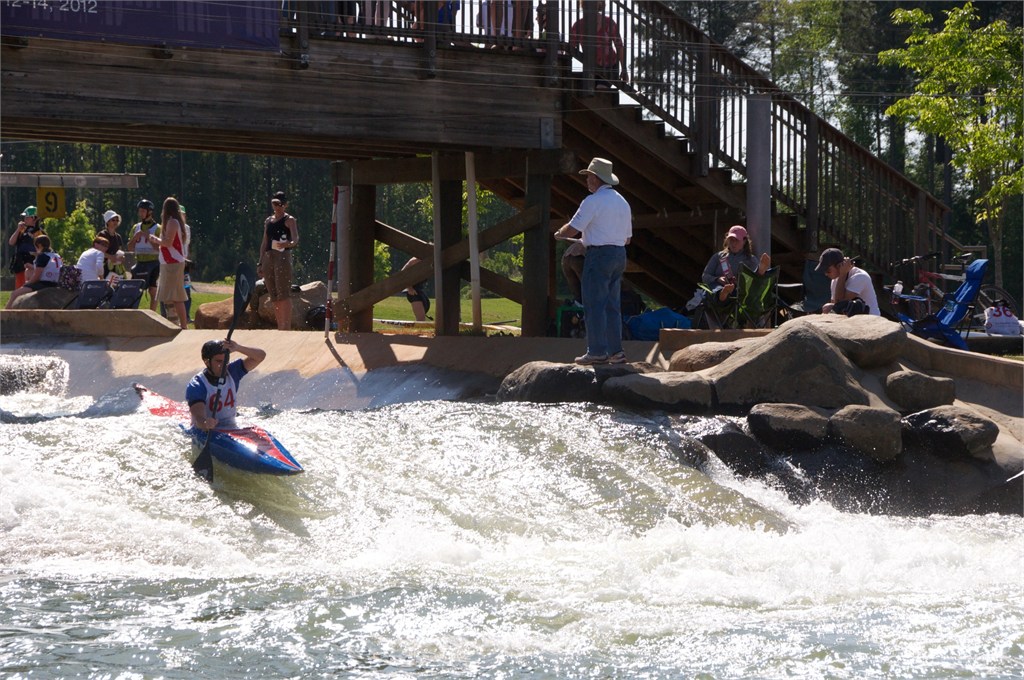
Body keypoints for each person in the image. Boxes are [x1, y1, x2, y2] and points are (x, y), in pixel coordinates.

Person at [553, 157, 632, 365]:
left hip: (599, 257)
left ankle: (596, 351)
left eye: (588, 176)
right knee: (612, 305)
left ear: (596, 178)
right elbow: (627, 239)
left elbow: (572, 229)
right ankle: (616, 352)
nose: (587, 180)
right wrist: (587, 240)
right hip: (619, 255)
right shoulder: (623, 202)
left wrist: (559, 234)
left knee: (594, 304)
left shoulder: (592, 201)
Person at [187, 339, 266, 432]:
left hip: (231, 426)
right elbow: (198, 417)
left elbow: (260, 356)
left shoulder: (232, 371)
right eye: (219, 361)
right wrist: (205, 423)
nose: (223, 365)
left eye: (226, 361)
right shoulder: (197, 385)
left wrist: (238, 347)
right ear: (207, 362)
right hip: (206, 431)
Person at [258, 191, 300, 331]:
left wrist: (288, 244)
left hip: (282, 256)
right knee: (273, 294)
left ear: (285, 205)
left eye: (280, 204)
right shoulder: (268, 221)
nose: (277, 207)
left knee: (283, 293)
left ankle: (285, 326)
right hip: (268, 256)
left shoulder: (289, 220)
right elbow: (264, 242)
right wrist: (260, 262)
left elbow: (295, 239)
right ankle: (279, 325)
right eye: (275, 204)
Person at [145, 197, 189, 330]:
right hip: (168, 262)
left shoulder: (172, 222)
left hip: (173, 263)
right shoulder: (173, 222)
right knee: (168, 295)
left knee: (176, 296)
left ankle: (183, 325)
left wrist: (155, 239)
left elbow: (168, 243)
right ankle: (173, 322)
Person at [701, 225, 770, 304]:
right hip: (717, 287)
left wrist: (738, 282)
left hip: (738, 292)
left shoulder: (750, 259)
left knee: (747, 288)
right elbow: (705, 276)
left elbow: (755, 283)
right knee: (713, 288)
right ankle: (721, 294)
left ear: (744, 241)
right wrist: (717, 279)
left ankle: (760, 271)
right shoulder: (718, 256)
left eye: (737, 240)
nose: (733, 244)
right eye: (731, 240)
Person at [569, 0, 628, 89]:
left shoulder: (608, 22)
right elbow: (570, 48)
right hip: (591, 68)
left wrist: (624, 69)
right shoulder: (578, 26)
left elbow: (619, 46)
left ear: (599, 4)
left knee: (601, 88)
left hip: (610, 67)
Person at [816, 247, 880, 316]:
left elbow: (839, 303)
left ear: (839, 266)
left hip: (869, 318)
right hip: (853, 316)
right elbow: (835, 305)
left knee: (828, 308)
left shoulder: (860, 276)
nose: (826, 274)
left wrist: (842, 275)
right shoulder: (836, 280)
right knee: (827, 308)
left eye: (828, 270)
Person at [5, 234, 62, 309]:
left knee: (14, 294)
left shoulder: (42, 256)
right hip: (56, 282)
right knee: (28, 271)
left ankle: (5, 314)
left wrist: (26, 284)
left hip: (44, 284)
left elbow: (36, 277)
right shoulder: (56, 255)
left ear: (39, 245)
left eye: (35, 246)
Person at [126, 198, 161, 311]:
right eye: (139, 211)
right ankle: (133, 311)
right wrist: (135, 238)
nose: (140, 213)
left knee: (152, 289)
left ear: (149, 212)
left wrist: (147, 237)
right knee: (135, 288)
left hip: (154, 262)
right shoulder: (136, 227)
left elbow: (159, 248)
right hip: (140, 262)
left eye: (143, 211)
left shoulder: (158, 228)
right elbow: (130, 248)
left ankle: (152, 313)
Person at [7, 205, 44, 289]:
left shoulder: (39, 233)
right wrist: (18, 229)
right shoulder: (22, 230)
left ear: (34, 218)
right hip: (20, 264)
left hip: (31, 265)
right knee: (19, 288)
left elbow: (42, 251)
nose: (25, 219)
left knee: (29, 288)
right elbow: (11, 242)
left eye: (27, 217)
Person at [98, 210, 125, 280]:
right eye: (113, 220)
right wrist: (111, 257)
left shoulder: (118, 237)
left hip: (116, 269)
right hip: (104, 269)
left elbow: (120, 251)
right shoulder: (102, 235)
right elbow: (98, 252)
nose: (115, 222)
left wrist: (121, 258)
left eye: (117, 220)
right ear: (107, 222)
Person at [401, 256, 431, 321]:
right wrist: (409, 288)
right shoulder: (415, 260)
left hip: (420, 290)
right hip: (413, 291)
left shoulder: (429, 260)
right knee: (421, 319)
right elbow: (402, 273)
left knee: (422, 318)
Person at [560, 239, 586, 306]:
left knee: (576, 290)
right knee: (588, 288)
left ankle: (578, 305)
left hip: (566, 257)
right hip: (580, 254)